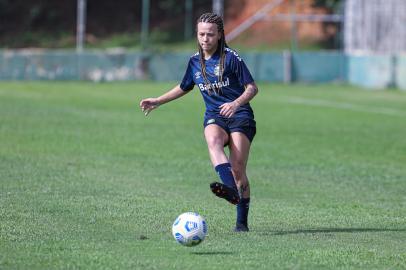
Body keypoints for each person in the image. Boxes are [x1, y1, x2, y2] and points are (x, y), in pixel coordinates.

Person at [140, 12, 258, 232]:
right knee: (212, 139)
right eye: (202, 34)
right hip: (214, 115)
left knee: (239, 171)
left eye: (210, 35)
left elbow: (252, 88)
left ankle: (241, 222)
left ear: (220, 35)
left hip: (240, 116)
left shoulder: (232, 58)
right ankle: (230, 190)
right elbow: (184, 86)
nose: (205, 39)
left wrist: (235, 103)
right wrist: (158, 100)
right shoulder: (195, 61)